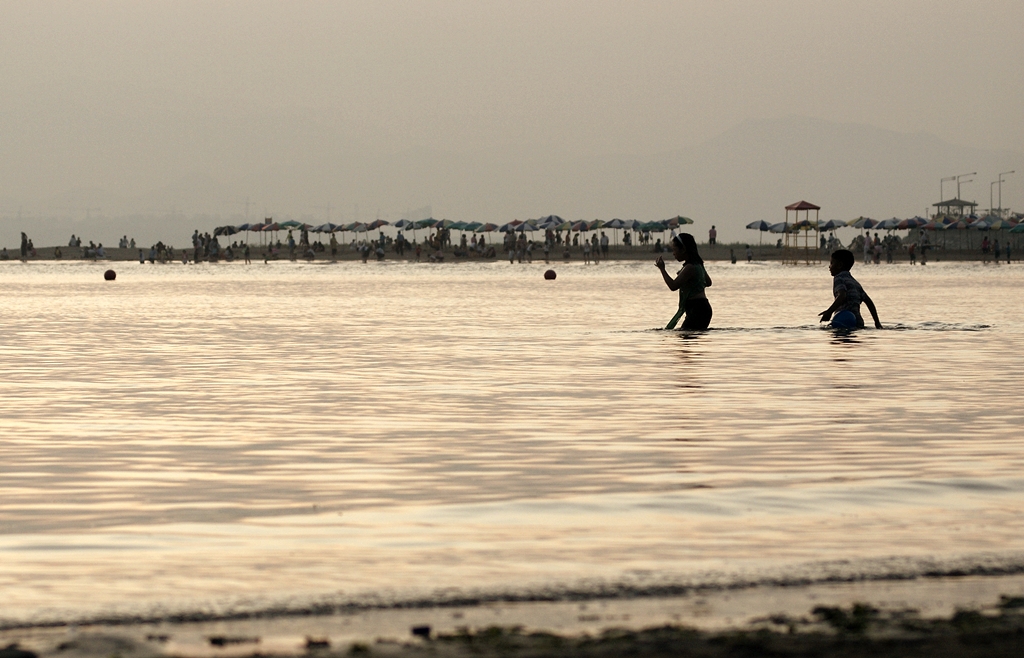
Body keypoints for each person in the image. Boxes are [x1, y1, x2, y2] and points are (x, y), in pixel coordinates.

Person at [655, 233, 713, 330]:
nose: (673, 253)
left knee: (686, 338)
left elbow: (673, 286)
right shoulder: (698, 265)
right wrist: (691, 281)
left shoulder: (690, 267)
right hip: (702, 308)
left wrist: (662, 269)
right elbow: (708, 282)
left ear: (683, 249)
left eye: (674, 250)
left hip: (697, 309)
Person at [818, 249, 882, 330]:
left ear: (839, 265)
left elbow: (842, 295)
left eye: (831, 263)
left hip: (844, 321)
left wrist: (829, 312)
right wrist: (877, 323)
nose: (829, 266)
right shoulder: (855, 283)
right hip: (858, 322)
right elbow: (869, 302)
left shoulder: (838, 278)